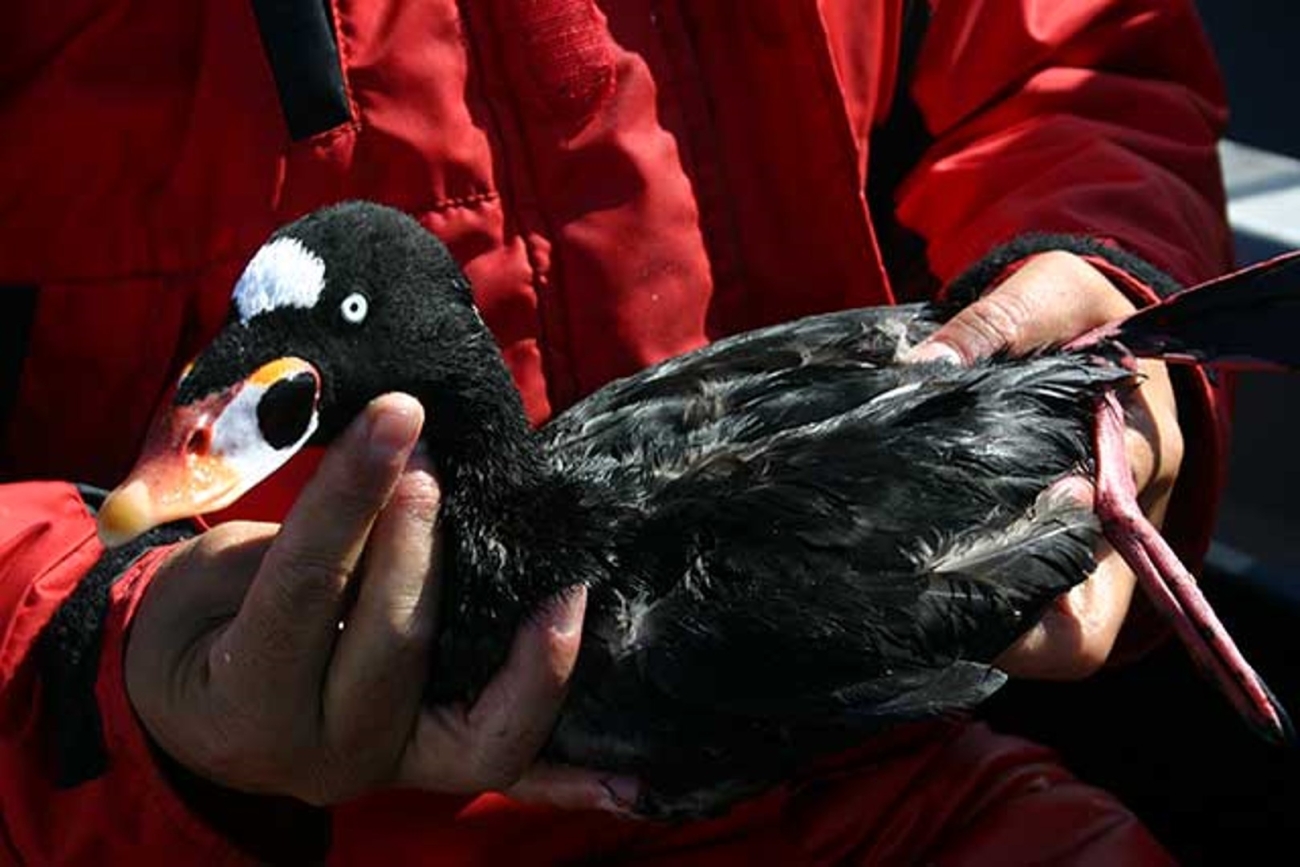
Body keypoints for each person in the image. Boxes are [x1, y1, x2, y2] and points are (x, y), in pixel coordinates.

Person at [0, 0, 1231, 862]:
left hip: (877, 784)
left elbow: (1074, 65)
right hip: (243, 833)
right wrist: (97, 643)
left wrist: (1109, 286)